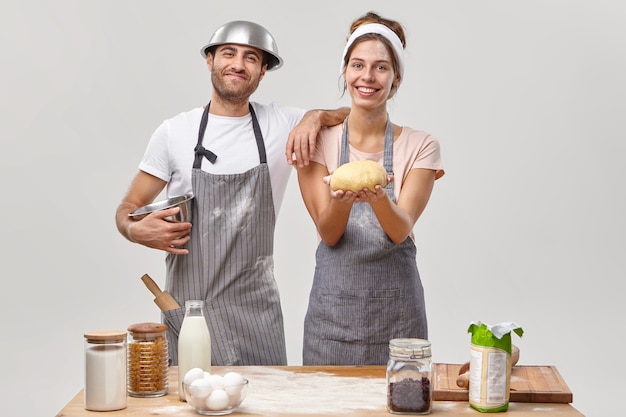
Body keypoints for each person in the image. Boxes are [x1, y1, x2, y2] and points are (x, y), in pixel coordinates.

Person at [115, 20, 348, 366]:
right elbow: (127, 208)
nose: (238, 64)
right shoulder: (174, 132)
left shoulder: (281, 123)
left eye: (251, 58)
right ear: (209, 60)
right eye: (228, 53)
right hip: (190, 313)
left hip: (256, 315)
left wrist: (315, 116)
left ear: (263, 71)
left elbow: (354, 115)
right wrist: (134, 229)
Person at [294, 12, 445, 365]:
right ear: (345, 72)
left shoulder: (422, 146)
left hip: (399, 320)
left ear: (396, 79)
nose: (367, 76)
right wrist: (343, 201)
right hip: (331, 323)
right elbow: (329, 234)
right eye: (358, 65)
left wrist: (378, 198)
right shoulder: (316, 142)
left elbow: (399, 229)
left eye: (381, 67)